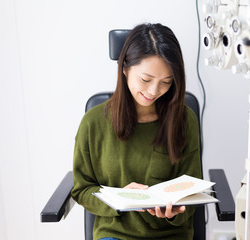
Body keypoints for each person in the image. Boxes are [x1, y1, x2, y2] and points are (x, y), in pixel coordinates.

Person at [71, 23, 201, 240]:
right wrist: (121, 198)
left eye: (166, 82)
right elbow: (82, 189)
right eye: (146, 79)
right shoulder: (93, 123)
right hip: (116, 234)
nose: (153, 91)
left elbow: (192, 188)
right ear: (125, 68)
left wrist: (175, 213)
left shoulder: (183, 119)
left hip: (171, 234)